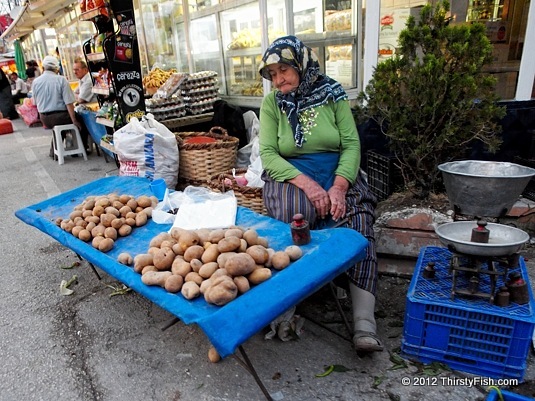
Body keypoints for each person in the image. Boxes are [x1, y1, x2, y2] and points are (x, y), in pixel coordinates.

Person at [257, 36, 383, 353]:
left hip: (336, 170)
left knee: (356, 220)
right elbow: (269, 154)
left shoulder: (333, 94)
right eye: (272, 74)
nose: (278, 79)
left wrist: (339, 186)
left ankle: (364, 322)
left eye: (283, 69)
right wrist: (308, 185)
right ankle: (286, 301)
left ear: (301, 65)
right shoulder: (272, 103)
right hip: (291, 174)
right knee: (294, 216)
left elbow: (352, 145)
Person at [32, 55, 82, 158]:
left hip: (44, 117)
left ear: (43, 67)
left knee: (59, 127)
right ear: (57, 68)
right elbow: (69, 103)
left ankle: (54, 152)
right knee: (80, 119)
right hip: (59, 117)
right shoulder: (61, 80)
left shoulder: (36, 82)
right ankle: (77, 148)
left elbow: (35, 102)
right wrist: (74, 120)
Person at [72, 57, 97, 153]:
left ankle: (82, 146)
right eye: (74, 70)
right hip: (85, 108)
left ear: (85, 70)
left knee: (77, 118)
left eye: (77, 69)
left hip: (92, 109)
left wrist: (77, 97)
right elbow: (74, 94)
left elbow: (80, 99)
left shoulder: (88, 81)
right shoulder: (82, 80)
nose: (75, 72)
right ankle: (79, 145)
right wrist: (77, 96)